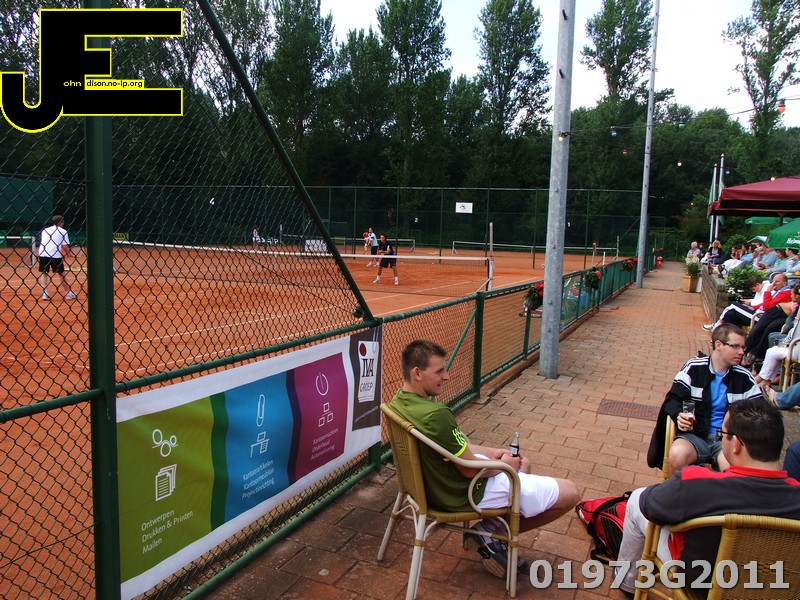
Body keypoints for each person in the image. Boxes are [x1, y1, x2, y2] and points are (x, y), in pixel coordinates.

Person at [386, 340, 580, 578]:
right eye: (439, 371)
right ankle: (492, 533)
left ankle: (490, 530)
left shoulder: (398, 401)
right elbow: (469, 470)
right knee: (571, 493)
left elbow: (457, 448)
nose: (446, 376)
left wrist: (494, 452)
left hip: (428, 487)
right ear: (417, 373)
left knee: (524, 463)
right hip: (459, 494)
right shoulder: (436, 415)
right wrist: (504, 465)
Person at [618, 398, 800, 596]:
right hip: (775, 587)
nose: (720, 439)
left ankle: (627, 583)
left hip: (702, 585)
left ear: (736, 445)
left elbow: (650, 505)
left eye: (722, 435)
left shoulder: (697, 483)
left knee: (636, 500)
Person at [647, 324, 763, 476]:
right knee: (677, 455)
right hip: (694, 436)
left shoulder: (744, 377)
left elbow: (762, 413)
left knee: (730, 469)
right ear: (718, 345)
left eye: (743, 347)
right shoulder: (694, 368)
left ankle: (716, 491)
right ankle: (680, 491)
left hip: (727, 441)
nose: (741, 352)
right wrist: (679, 415)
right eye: (735, 346)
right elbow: (672, 399)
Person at [702, 272, 792, 331]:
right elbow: (764, 304)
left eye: (777, 281)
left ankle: (716, 326)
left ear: (784, 283)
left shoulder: (783, 293)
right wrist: (753, 307)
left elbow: (767, 307)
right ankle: (724, 339)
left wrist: (767, 292)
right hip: (757, 312)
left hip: (760, 317)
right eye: (773, 281)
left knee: (733, 304)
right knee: (730, 314)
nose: (773, 284)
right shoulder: (778, 291)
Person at [37, 214, 77, 300]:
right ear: (62, 222)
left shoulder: (45, 230)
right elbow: (64, 246)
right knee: (61, 273)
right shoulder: (63, 231)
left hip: (43, 253)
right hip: (55, 255)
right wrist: (69, 253)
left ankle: (45, 293)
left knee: (44, 272)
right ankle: (68, 293)